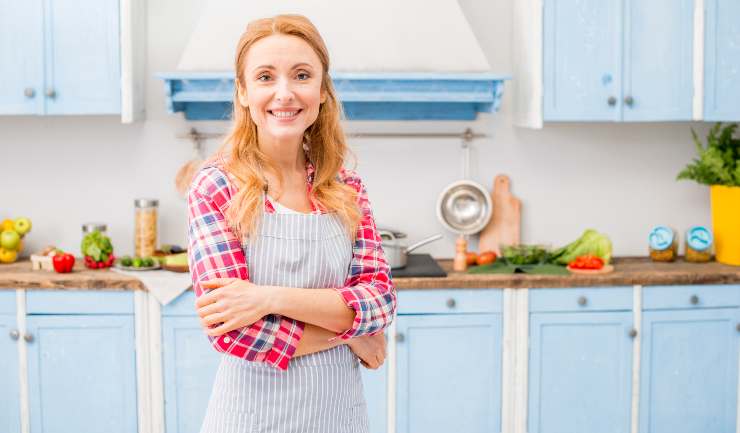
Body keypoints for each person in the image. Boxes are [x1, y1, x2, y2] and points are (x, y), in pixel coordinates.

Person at [186, 14, 397, 433]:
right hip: (250, 420)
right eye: (265, 77)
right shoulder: (215, 186)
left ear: (321, 92)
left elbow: (380, 302)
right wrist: (352, 333)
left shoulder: (347, 187)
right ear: (243, 93)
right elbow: (233, 335)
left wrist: (266, 298)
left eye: (301, 75)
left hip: (339, 418)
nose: (284, 93)